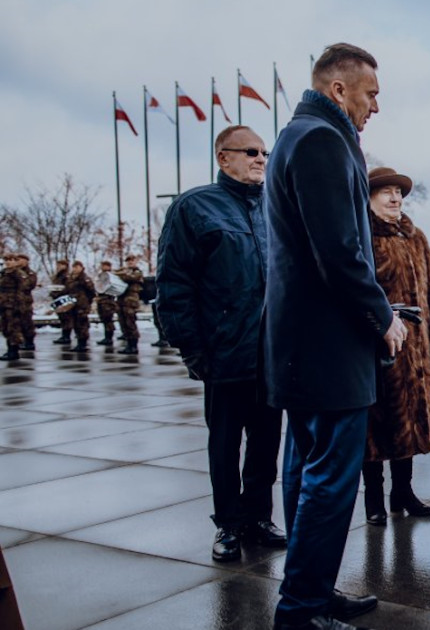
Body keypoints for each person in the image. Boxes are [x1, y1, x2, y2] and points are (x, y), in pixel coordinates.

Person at [264, 43, 400, 630]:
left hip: (304, 346)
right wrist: (384, 317)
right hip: (328, 346)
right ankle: (301, 608)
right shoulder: (320, 141)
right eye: (370, 94)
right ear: (339, 90)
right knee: (328, 478)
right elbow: (340, 255)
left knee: (304, 466)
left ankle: (311, 588)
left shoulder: (298, 137)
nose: (374, 107)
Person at [157, 124, 286, 564]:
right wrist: (192, 350)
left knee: (267, 444)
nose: (260, 159)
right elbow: (174, 286)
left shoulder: (274, 208)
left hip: (271, 357)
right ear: (222, 157)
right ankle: (228, 525)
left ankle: (258, 517)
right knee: (226, 445)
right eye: (249, 150)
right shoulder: (195, 208)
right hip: (224, 353)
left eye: (264, 152)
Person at [361, 166, 430, 525]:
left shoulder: (416, 237)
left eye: (399, 192)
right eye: (386, 192)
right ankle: (373, 500)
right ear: (369, 198)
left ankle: (403, 490)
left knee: (409, 422)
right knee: (376, 424)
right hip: (378, 347)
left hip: (415, 348)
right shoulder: (362, 235)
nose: (396, 198)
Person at [115, 254, 145, 354]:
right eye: (128, 261)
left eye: (132, 261)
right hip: (122, 300)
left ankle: (134, 346)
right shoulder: (124, 272)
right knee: (123, 323)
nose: (130, 262)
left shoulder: (137, 272)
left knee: (130, 323)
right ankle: (129, 344)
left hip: (131, 301)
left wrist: (120, 274)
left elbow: (130, 278)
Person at [64, 261, 95, 352]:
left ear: (81, 267)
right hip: (73, 304)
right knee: (76, 324)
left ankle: (83, 343)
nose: (75, 269)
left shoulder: (85, 278)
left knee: (82, 324)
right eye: (74, 267)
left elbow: (91, 292)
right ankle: (79, 343)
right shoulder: (70, 278)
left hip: (82, 305)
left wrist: (86, 301)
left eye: (77, 267)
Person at [0, 254, 23, 361]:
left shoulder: (17, 274)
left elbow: (21, 290)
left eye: (10, 260)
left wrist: (18, 305)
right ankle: (10, 349)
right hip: (4, 304)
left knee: (13, 327)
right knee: (5, 327)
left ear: (15, 261)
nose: (8, 262)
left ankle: (13, 351)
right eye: (6, 260)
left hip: (13, 304)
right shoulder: (4, 273)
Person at [95, 261, 119, 347]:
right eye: (102, 266)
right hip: (101, 300)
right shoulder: (101, 276)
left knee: (108, 319)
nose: (103, 267)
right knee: (104, 319)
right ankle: (106, 337)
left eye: (105, 266)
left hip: (108, 301)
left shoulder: (112, 276)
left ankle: (109, 338)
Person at [14, 254, 36, 351]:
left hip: (25, 301)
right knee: (17, 322)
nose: (18, 262)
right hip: (15, 301)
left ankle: (29, 342)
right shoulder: (14, 272)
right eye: (17, 260)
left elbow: (29, 285)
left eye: (20, 260)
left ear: (26, 261)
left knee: (27, 322)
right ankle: (21, 341)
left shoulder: (30, 273)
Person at [50, 259, 71, 345]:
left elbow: (67, 288)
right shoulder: (57, 276)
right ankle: (64, 335)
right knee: (62, 318)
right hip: (57, 298)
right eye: (58, 265)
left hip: (63, 299)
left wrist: (59, 293)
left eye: (60, 265)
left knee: (66, 318)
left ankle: (66, 336)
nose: (58, 266)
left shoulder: (66, 276)